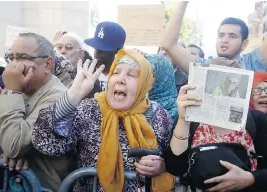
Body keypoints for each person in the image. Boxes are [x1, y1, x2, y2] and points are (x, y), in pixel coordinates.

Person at [32, 49, 175, 191]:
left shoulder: (159, 115)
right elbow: (46, 143)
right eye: (116, 72)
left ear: (145, 84)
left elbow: (174, 161)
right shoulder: (89, 109)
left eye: (131, 74)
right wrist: (73, 95)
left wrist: (161, 167)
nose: (120, 79)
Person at [165, 83, 267, 191]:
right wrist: (183, 120)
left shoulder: (256, 120)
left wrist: (250, 178)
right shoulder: (192, 121)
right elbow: (175, 168)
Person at [0, 33, 76, 191]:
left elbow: (13, 145)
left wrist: (11, 91)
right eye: (11, 58)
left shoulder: (58, 97)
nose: (14, 65)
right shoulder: (20, 88)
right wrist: (1, 153)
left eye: (23, 57)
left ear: (47, 64)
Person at [161, 1, 267, 73]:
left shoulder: (254, 63)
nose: (225, 40)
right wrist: (183, 2)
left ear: (244, 43)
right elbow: (168, 44)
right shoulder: (203, 66)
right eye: (221, 35)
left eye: (232, 36)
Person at [84, 21, 126, 92]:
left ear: (117, 52)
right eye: (96, 47)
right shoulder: (86, 70)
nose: (97, 51)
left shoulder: (126, 74)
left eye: (102, 49)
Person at [146, 54, 178, 121]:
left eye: (150, 74)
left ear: (162, 77)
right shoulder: (133, 101)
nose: (143, 78)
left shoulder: (178, 111)